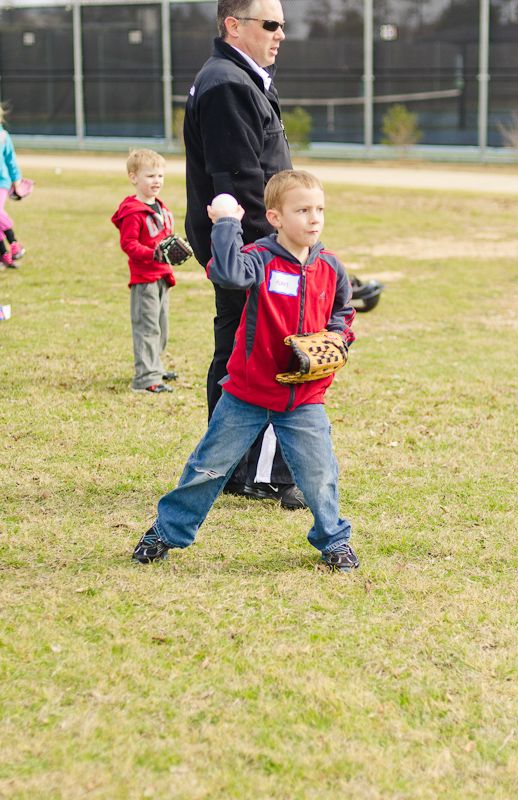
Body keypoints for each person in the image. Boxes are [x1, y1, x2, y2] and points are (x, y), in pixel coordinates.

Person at [131, 169, 360, 573]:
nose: (314, 218)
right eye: (302, 210)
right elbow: (228, 273)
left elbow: (343, 309)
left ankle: (334, 541)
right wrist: (227, 224)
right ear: (275, 217)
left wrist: (339, 335)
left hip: (303, 398)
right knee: (207, 468)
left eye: (319, 209)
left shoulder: (329, 266)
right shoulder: (259, 259)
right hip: (247, 395)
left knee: (319, 474)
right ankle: (166, 532)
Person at [183, 0, 307, 508]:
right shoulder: (229, 82)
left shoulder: (239, 76)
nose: (280, 34)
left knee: (238, 347)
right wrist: (278, 252)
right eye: (270, 24)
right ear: (234, 26)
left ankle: (229, 464)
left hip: (247, 246)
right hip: (252, 247)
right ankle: (254, 472)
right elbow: (238, 185)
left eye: (283, 24)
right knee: (260, 351)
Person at [111, 149, 179, 394]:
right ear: (133, 178)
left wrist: (174, 248)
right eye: (150, 176)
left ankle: (155, 367)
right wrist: (152, 254)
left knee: (161, 325)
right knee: (147, 326)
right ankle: (145, 378)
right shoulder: (133, 211)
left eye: (160, 176)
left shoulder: (161, 207)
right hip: (144, 278)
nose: (157, 181)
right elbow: (129, 244)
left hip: (162, 275)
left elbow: (164, 238)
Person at [0, 104, 26, 270]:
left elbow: (11, 162)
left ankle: (14, 243)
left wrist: (17, 183)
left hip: (1, 182)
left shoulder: (3, 136)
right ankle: (4, 255)